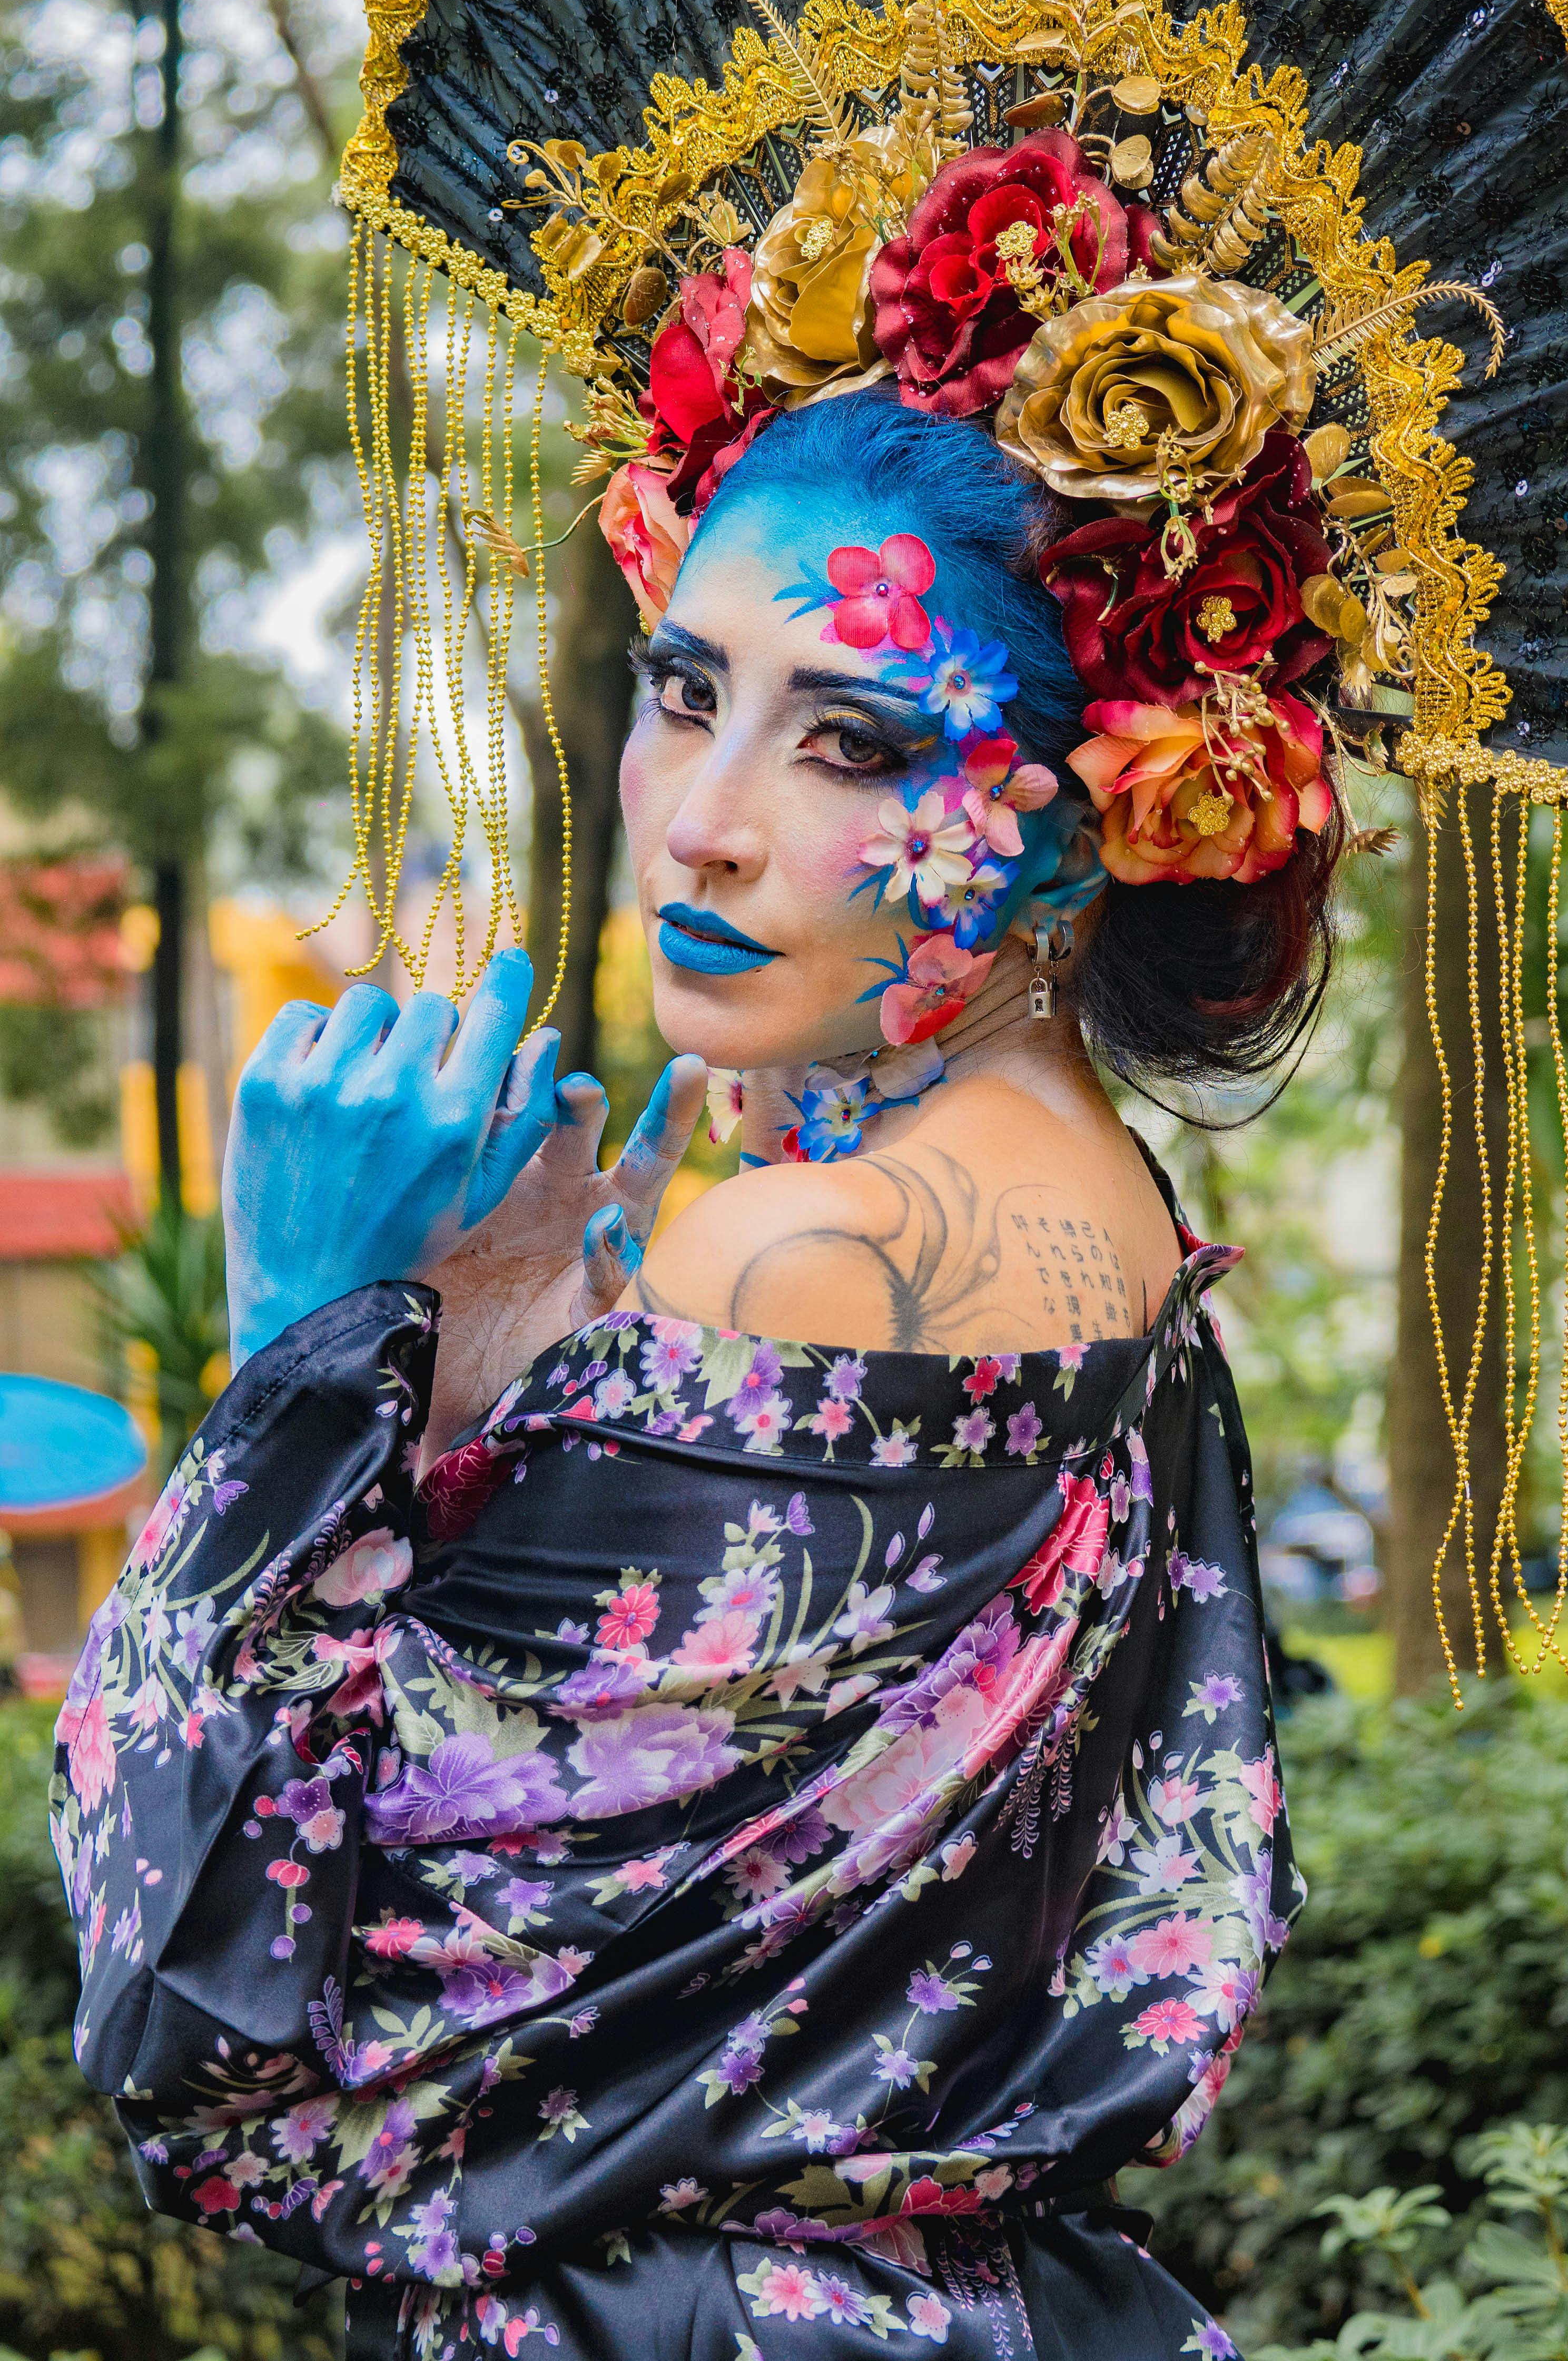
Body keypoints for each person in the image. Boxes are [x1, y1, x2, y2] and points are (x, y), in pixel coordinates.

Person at [52, 384, 1335, 2361]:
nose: (707, 821)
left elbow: (247, 2029)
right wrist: (511, 1385)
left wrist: (300, 1349)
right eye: (682, 691)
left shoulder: (801, 1253)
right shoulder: (1117, 1223)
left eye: (850, 743)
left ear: (1083, 840)